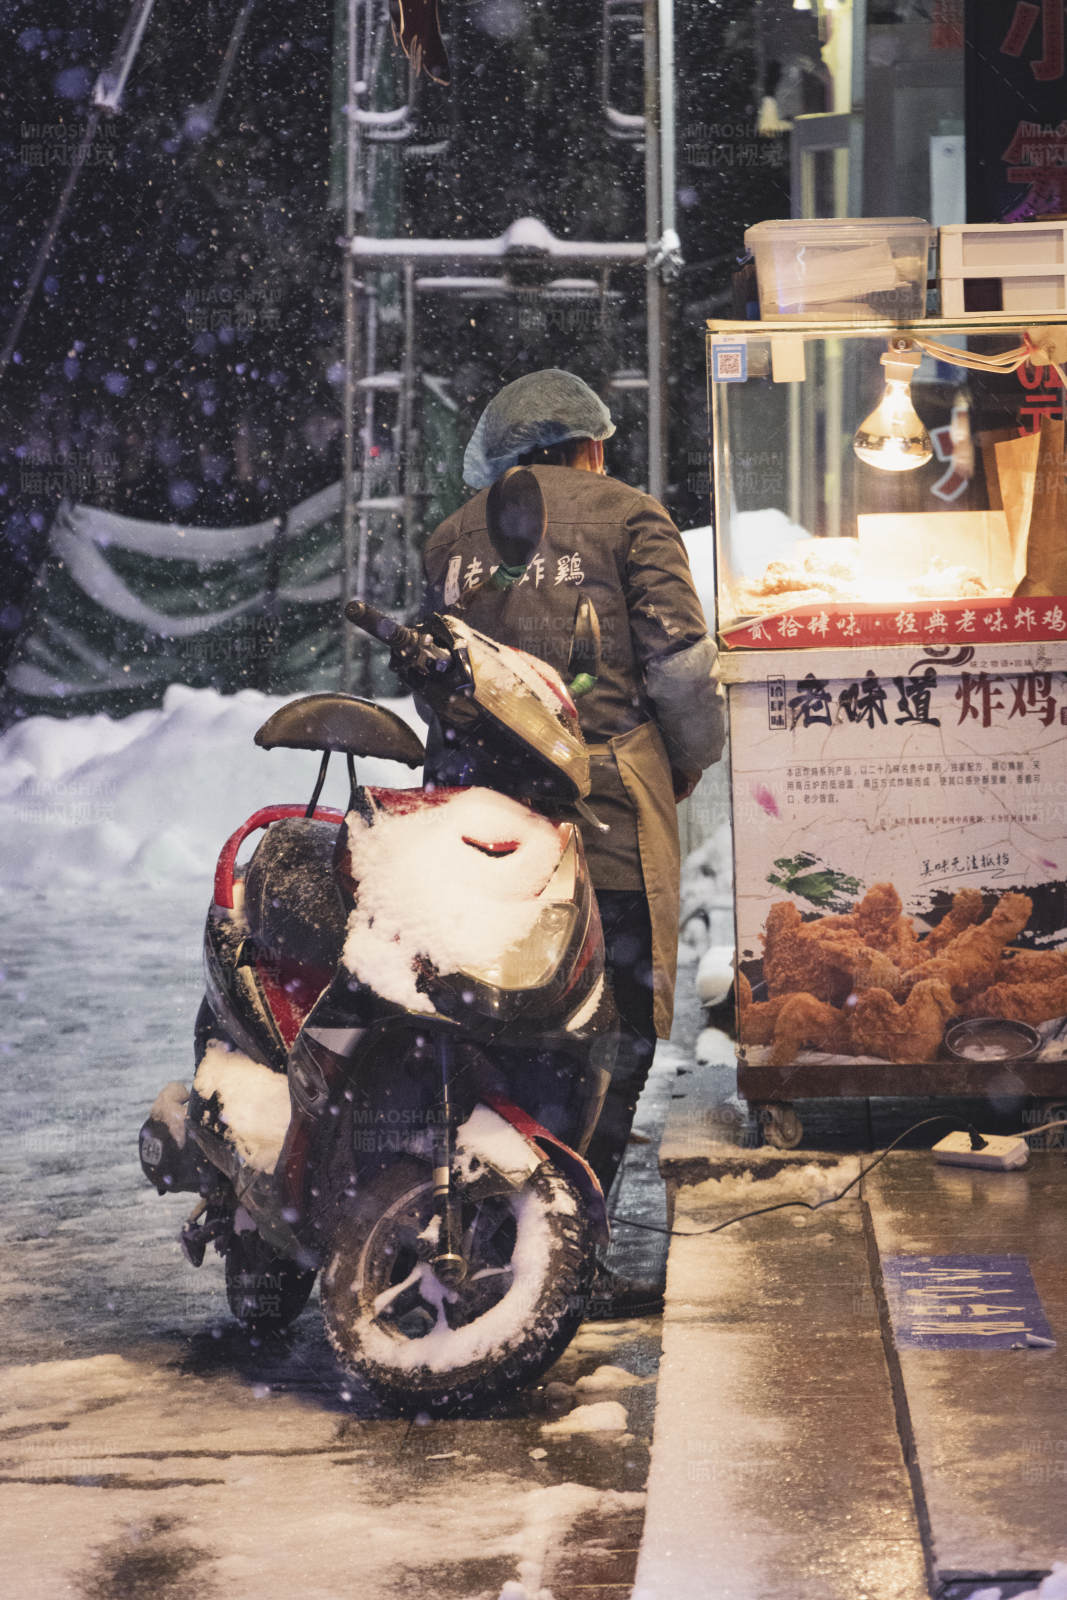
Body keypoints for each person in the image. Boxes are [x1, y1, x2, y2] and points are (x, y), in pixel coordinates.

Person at [422, 369, 726, 1226]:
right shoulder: (631, 515)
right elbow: (681, 671)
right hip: (606, 819)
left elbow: (433, 689)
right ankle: (570, 1233)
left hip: (476, 831)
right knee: (616, 1029)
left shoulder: (448, 539)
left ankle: (498, 1223)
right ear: (591, 445)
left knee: (500, 1024)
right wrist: (686, 762)